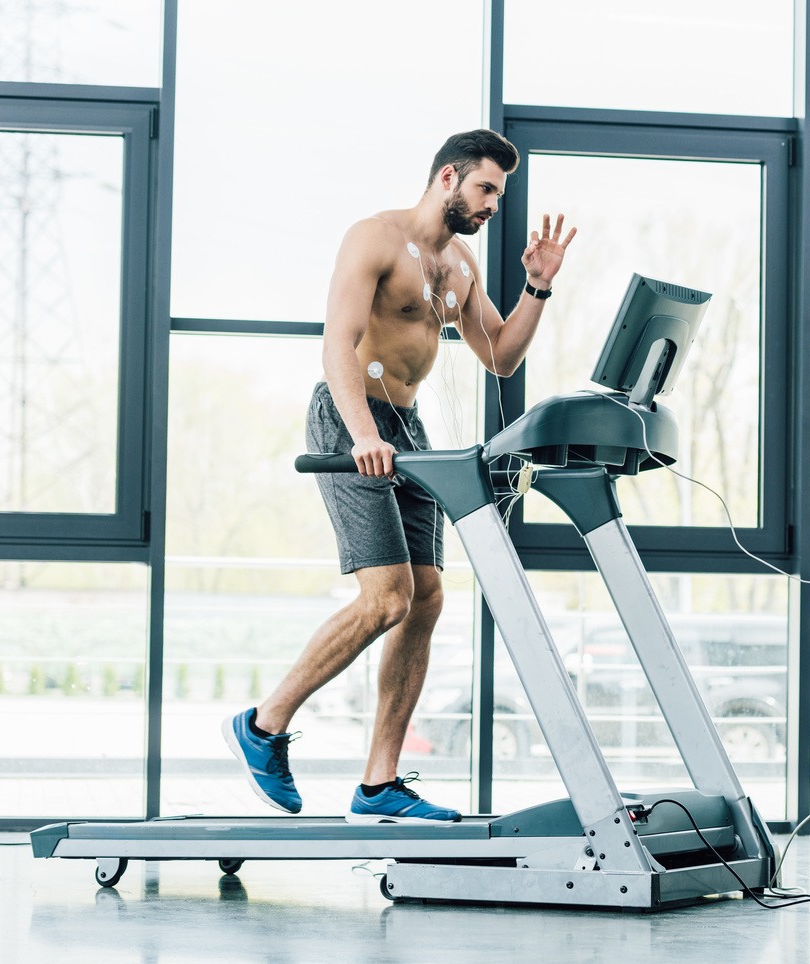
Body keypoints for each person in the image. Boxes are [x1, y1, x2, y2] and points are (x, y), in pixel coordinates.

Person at [222, 128, 576, 823]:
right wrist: (360, 433)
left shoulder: (461, 264)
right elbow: (337, 344)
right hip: (353, 417)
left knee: (427, 597)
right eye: (485, 190)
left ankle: (379, 781)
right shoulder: (374, 239)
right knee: (386, 598)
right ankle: (263, 723)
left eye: (498, 196)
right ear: (448, 178)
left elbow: (500, 354)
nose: (492, 206)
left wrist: (539, 284)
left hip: (408, 428)